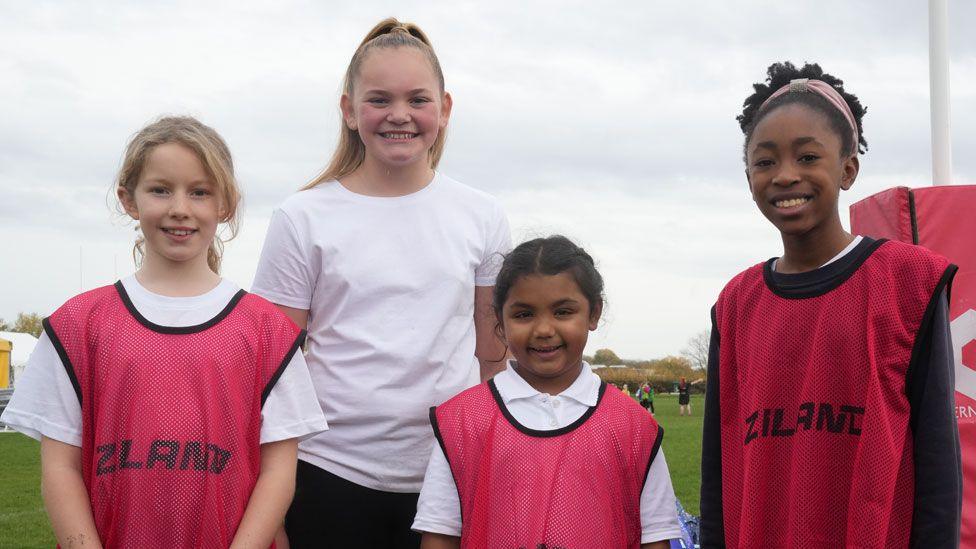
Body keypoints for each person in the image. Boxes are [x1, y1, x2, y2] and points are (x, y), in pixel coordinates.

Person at [0, 116, 328, 548]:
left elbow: (279, 471)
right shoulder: (78, 324)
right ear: (128, 199)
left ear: (225, 204)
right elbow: (60, 466)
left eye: (199, 191)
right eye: (160, 189)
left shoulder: (266, 329)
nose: (180, 208)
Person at [250, 18, 511, 548]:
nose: (399, 115)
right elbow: (269, 370)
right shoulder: (302, 216)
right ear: (348, 110)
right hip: (327, 475)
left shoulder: (482, 216)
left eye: (418, 99)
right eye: (378, 99)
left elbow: (493, 359)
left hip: (449, 476)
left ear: (445, 108)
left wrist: (495, 468)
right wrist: (269, 504)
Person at [700, 62, 962, 548]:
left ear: (847, 169)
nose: (784, 176)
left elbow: (938, 472)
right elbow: (717, 471)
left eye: (806, 157)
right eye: (764, 161)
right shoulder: (736, 305)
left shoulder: (907, 282)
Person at [413, 236, 682, 548]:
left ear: (593, 314)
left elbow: (656, 538)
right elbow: (440, 534)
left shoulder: (634, 428)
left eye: (563, 312)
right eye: (524, 314)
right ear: (499, 320)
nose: (543, 329)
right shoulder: (462, 422)